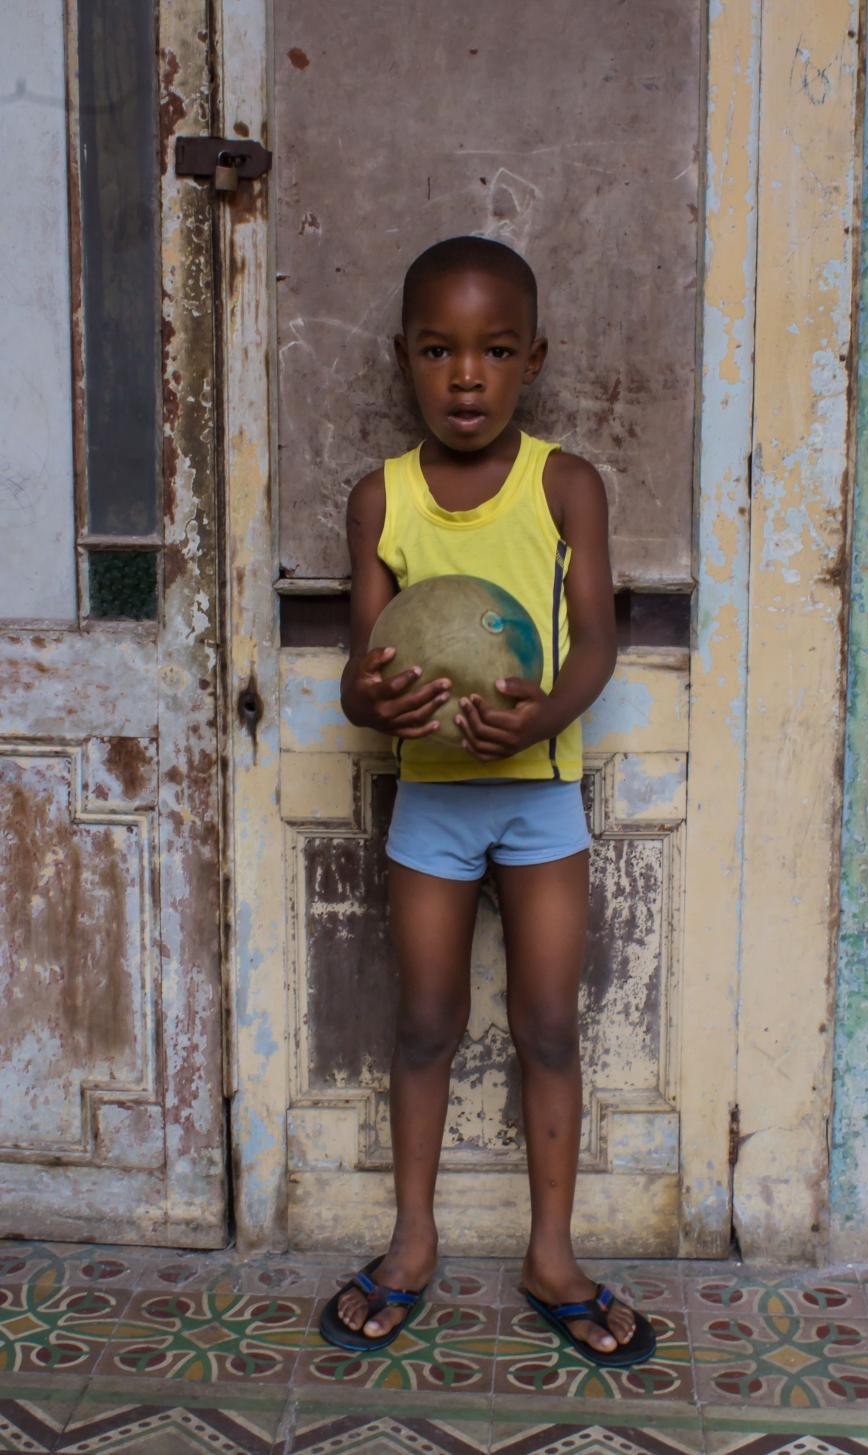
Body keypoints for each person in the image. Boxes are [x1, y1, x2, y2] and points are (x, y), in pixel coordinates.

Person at [318, 236, 656, 1368]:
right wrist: (372, 695)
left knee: (547, 1026)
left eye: (494, 350)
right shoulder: (382, 499)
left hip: (539, 801)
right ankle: (411, 1244)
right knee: (424, 1025)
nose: (466, 375)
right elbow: (362, 671)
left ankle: (549, 1255)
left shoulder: (565, 484)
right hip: (434, 806)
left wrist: (548, 713)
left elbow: (601, 637)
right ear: (405, 358)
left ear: (533, 360)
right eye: (439, 350)